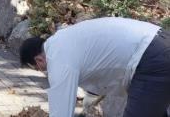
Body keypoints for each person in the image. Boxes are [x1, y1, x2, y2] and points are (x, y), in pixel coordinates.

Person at [19, 17, 170, 117]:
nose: (43, 72)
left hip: (151, 57)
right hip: (159, 41)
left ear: (38, 60)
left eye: (38, 68)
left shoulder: (56, 58)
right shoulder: (63, 40)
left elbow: (61, 112)